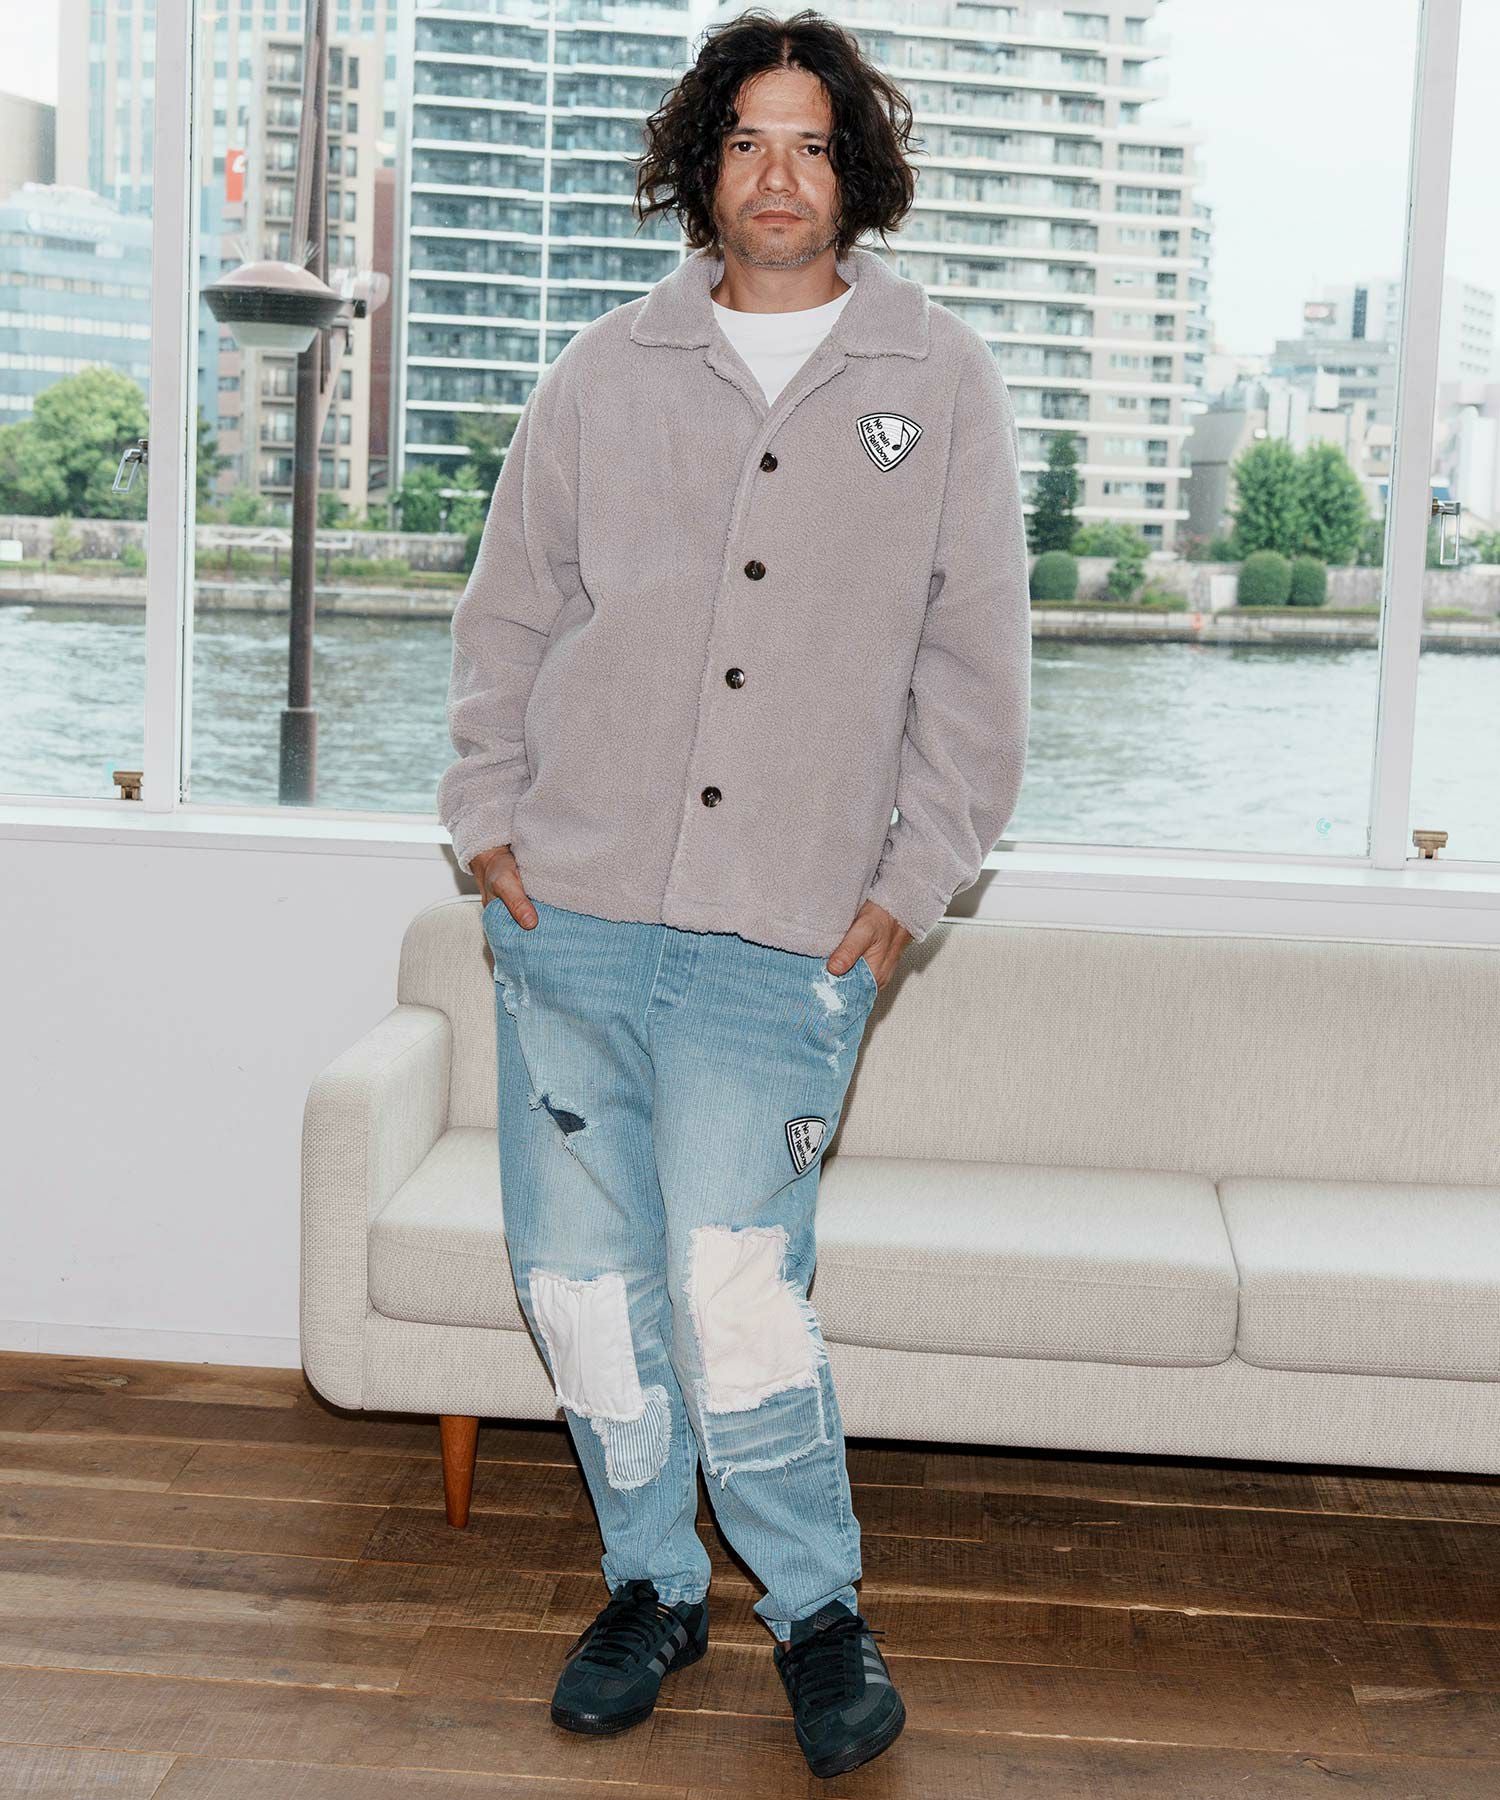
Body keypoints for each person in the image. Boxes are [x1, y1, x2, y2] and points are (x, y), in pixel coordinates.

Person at [437, 7, 1030, 1780]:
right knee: (579, 1282)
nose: (780, 177)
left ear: (858, 172)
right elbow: (509, 610)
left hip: (786, 939)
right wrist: (486, 817)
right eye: (748, 142)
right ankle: (649, 1584)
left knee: (737, 1288)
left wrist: (911, 882)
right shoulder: (602, 372)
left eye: (813, 144)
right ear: (704, 169)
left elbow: (977, 670)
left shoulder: (937, 378)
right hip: (574, 916)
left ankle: (817, 1610)